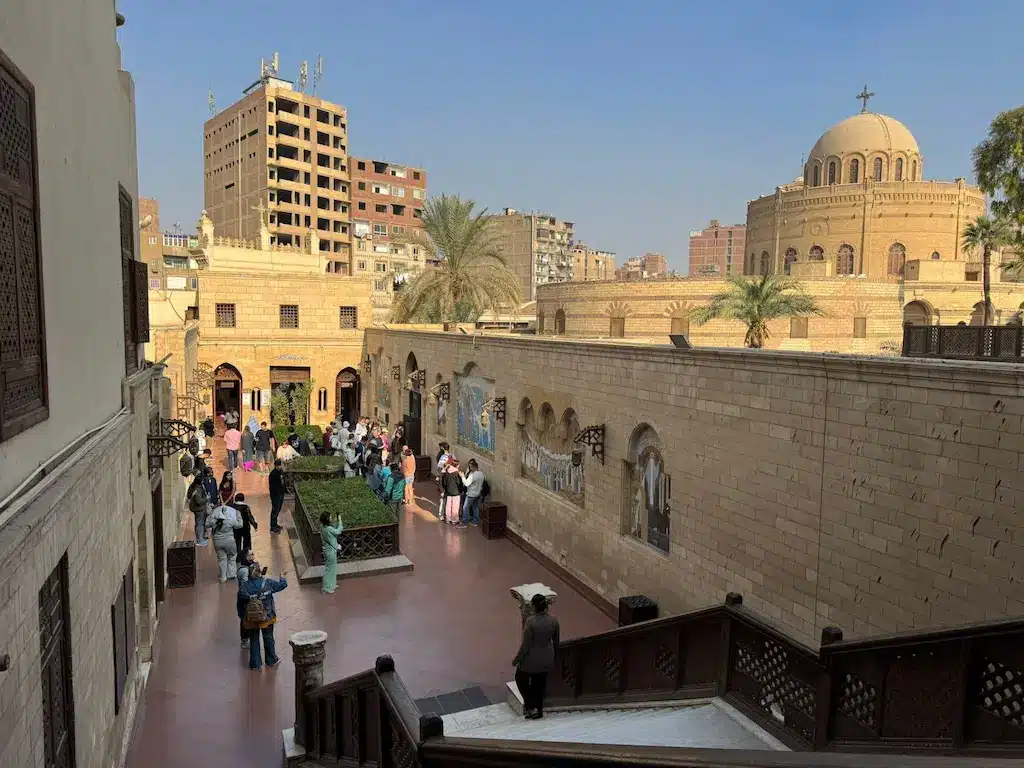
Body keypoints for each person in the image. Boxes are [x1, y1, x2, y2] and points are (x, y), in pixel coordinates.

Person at [513, 594, 560, 720]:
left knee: (520, 678)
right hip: (547, 658)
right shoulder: (554, 621)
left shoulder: (531, 622)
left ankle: (530, 706)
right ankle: (539, 710)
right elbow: (556, 642)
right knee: (539, 683)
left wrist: (516, 659)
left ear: (534, 607)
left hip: (531, 659)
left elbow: (526, 645)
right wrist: (554, 659)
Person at [239, 562, 288, 670]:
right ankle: (271, 660)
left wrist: (242, 616)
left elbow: (240, 603)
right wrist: (282, 577)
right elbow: (282, 585)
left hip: (251, 618)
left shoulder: (244, 586)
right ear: (260, 572)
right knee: (268, 637)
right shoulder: (268, 583)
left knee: (254, 639)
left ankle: (255, 663)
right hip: (267, 616)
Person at [206, 502, 243, 582]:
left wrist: (211, 514)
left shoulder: (213, 520)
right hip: (229, 541)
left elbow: (206, 524)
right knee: (232, 556)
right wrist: (238, 515)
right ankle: (231, 574)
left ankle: (223, 577)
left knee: (221, 559)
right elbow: (240, 525)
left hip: (217, 542)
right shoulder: (230, 520)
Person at [320, 512, 345, 595]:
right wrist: (340, 521)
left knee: (333, 568)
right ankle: (327, 588)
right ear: (327, 519)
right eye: (330, 517)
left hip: (328, 550)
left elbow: (332, 528)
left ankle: (332, 585)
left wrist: (334, 521)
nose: (331, 518)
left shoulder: (322, 527)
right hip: (330, 551)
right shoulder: (328, 529)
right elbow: (338, 531)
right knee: (329, 569)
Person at [186, 470, 210, 546]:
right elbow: (199, 501)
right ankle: (200, 540)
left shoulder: (195, 486)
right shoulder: (197, 489)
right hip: (199, 509)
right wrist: (207, 498)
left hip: (198, 509)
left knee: (200, 524)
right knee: (199, 524)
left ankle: (201, 538)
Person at [232, 492, 258, 563]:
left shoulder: (232, 507)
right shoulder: (246, 507)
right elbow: (250, 517)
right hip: (245, 528)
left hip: (236, 528)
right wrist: (255, 525)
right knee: (246, 543)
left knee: (237, 542)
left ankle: (237, 558)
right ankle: (246, 557)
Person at [460, 459, 485, 528]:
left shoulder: (472, 475)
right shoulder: (481, 474)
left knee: (465, 508)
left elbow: (466, 483)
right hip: (478, 494)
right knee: (475, 507)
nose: (470, 468)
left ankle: (464, 523)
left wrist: (462, 476)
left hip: (471, 494)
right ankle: (475, 521)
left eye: (470, 467)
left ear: (473, 467)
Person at [440, 457, 464, 525]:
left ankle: (448, 519)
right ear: (457, 465)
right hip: (456, 492)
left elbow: (444, 483)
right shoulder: (457, 474)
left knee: (448, 505)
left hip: (448, 492)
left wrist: (446, 489)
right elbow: (459, 484)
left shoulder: (447, 473)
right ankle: (454, 520)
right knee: (455, 506)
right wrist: (461, 490)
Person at [269, 459, 286, 533]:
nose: (279, 467)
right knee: (275, 510)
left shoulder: (281, 472)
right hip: (276, 495)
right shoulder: (273, 474)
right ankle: (273, 527)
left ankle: (275, 524)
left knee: (278, 509)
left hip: (281, 493)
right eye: (278, 465)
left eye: (280, 465)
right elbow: (272, 486)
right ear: (275, 466)